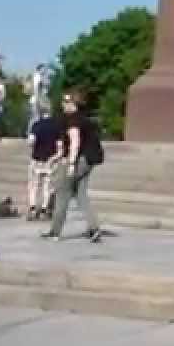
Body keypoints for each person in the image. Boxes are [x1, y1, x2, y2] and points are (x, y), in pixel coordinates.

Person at [42, 90, 104, 242]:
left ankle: (55, 232)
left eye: (66, 101)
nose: (63, 104)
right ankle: (94, 228)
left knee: (62, 193)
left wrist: (70, 164)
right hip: (88, 161)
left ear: (73, 104)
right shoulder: (84, 119)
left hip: (78, 160)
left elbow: (75, 142)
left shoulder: (73, 120)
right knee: (82, 195)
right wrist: (55, 158)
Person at [25, 107, 63, 221]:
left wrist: (32, 147)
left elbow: (31, 141)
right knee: (48, 186)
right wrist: (55, 157)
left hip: (37, 159)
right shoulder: (57, 126)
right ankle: (44, 209)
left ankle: (32, 208)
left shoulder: (36, 125)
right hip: (51, 160)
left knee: (34, 185)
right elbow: (60, 146)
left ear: (41, 113)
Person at [27, 64, 50, 134]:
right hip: (37, 100)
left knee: (36, 117)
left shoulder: (39, 77)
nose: (45, 70)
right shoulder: (37, 77)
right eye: (43, 69)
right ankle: (32, 133)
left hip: (38, 99)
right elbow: (36, 89)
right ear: (39, 69)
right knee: (36, 117)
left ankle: (33, 133)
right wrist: (38, 100)